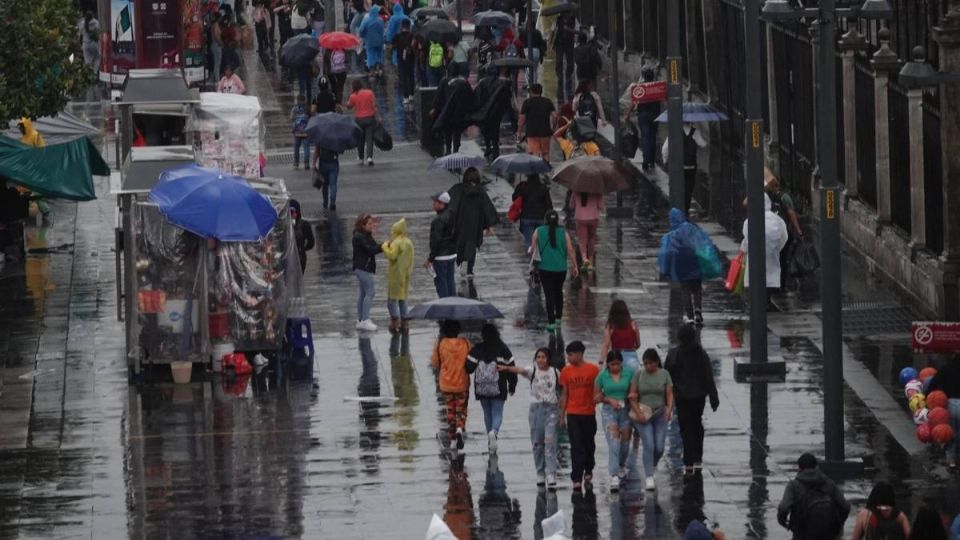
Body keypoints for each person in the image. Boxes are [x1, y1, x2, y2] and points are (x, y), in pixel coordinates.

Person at [499, 347, 562, 489]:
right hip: (536, 409)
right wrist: (506, 368)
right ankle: (540, 472)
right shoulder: (533, 370)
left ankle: (551, 473)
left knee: (550, 441)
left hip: (551, 409)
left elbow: (562, 388)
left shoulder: (555, 372)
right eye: (538, 357)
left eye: (543, 357)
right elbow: (520, 370)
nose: (541, 360)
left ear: (548, 359)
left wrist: (562, 411)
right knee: (537, 442)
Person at [664, 324, 718, 473]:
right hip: (699, 396)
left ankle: (688, 461)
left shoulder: (674, 354)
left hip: (682, 397)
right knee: (697, 424)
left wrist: (665, 398)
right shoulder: (701, 354)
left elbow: (666, 377)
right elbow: (708, 376)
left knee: (685, 427)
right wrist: (714, 397)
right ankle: (697, 457)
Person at [658, 208, 721, 325]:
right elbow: (703, 243)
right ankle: (698, 310)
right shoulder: (692, 229)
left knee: (685, 289)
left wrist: (665, 270)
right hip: (695, 262)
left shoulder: (672, 235)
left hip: (681, 266)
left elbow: (667, 254)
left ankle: (690, 316)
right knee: (697, 288)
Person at [776, 453, 851, 540]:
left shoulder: (793, 486)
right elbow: (845, 507)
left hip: (802, 534)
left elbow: (783, 508)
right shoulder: (829, 483)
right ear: (816, 467)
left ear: (799, 468)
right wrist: (837, 524)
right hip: (828, 534)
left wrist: (785, 523)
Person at [467, 324, 517, 453]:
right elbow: (511, 367)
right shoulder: (503, 348)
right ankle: (494, 432)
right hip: (499, 387)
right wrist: (512, 384)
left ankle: (490, 440)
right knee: (497, 412)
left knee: (487, 413)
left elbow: (468, 368)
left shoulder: (478, 349)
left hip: (482, 388)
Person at [629, 348, 673, 491]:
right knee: (649, 444)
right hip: (643, 414)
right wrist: (637, 412)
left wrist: (669, 409)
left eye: (650, 363)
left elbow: (669, 393)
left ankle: (652, 464)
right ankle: (649, 476)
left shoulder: (664, 374)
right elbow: (632, 395)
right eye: (645, 363)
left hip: (660, 414)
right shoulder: (639, 375)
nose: (647, 366)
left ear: (656, 363)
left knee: (659, 446)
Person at [559, 340, 600, 490]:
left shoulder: (593, 370)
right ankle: (576, 476)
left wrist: (598, 397)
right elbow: (565, 393)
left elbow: (598, 389)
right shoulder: (566, 371)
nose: (568, 358)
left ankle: (589, 468)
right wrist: (562, 415)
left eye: (570, 355)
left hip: (589, 413)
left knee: (589, 444)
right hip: (573, 413)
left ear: (579, 354)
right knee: (575, 446)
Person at [531, 210, 578, 332]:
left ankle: (551, 322)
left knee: (549, 295)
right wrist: (575, 266)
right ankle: (558, 318)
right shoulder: (563, 233)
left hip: (545, 268)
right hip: (560, 269)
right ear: (557, 220)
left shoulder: (538, 231)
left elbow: (533, 249)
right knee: (558, 292)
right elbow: (570, 250)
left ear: (545, 220)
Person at [446, 168, 499, 278]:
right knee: (472, 244)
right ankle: (469, 269)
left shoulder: (459, 189)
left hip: (461, 222)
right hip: (475, 224)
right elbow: (487, 209)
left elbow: (450, 204)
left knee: (460, 242)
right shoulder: (480, 191)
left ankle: (461, 261)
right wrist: (488, 225)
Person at [593, 351, 634, 493]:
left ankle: (622, 465)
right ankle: (614, 474)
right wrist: (609, 399)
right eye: (612, 364)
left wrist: (630, 398)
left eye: (617, 364)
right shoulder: (602, 376)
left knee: (625, 442)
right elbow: (596, 396)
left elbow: (634, 391)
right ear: (608, 364)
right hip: (609, 410)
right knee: (614, 441)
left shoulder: (629, 374)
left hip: (625, 410)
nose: (615, 367)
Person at [431, 320, 472, 450]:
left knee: (450, 410)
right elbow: (471, 360)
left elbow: (435, 363)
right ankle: (460, 427)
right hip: (462, 382)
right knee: (461, 408)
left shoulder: (440, 344)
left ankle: (453, 438)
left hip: (446, 383)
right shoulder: (465, 343)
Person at [740, 193, 789, 297]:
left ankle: (759, 303)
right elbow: (784, 236)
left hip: (755, 258)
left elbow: (746, 239)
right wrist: (776, 248)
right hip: (772, 255)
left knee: (756, 279)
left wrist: (743, 250)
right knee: (770, 278)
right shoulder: (777, 219)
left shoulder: (749, 220)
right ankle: (767, 300)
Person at [765, 173, 804, 290]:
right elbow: (791, 215)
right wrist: (798, 231)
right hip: (783, 234)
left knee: (772, 259)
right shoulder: (784, 197)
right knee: (783, 259)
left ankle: (771, 283)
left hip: (770, 233)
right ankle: (781, 284)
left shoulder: (767, 198)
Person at [662, 123, 708, 214]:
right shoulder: (695, 132)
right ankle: (686, 207)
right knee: (689, 187)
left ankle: (677, 206)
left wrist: (665, 160)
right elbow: (703, 144)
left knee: (676, 186)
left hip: (678, 166)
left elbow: (665, 148)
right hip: (691, 166)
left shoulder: (674, 132)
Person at [430, 66, 475, 155]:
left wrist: (434, 108)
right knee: (457, 132)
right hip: (459, 112)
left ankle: (448, 149)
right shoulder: (463, 82)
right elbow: (470, 96)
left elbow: (438, 96)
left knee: (448, 131)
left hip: (447, 111)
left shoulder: (444, 81)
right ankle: (456, 150)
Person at [623, 68, 662, 170]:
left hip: (643, 115)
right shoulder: (657, 87)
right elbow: (664, 98)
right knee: (652, 137)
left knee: (646, 137)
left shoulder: (640, 87)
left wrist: (627, 113)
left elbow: (634, 101)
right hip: (655, 115)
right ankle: (652, 161)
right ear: (652, 76)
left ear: (644, 76)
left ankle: (646, 160)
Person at [381, 218, 414, 332]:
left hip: (395, 274)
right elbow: (411, 258)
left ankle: (395, 320)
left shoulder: (396, 242)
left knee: (392, 300)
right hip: (405, 274)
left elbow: (392, 255)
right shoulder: (408, 242)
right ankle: (405, 322)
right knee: (403, 298)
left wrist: (385, 246)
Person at [472, 66, 512, 161]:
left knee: (485, 128)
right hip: (497, 111)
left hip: (485, 111)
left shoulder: (482, 83)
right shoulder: (502, 83)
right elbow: (506, 98)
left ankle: (488, 146)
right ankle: (495, 147)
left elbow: (477, 97)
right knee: (495, 129)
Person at [928, 356, 960, 470]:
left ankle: (951, 461)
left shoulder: (946, 368)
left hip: (950, 403)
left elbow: (933, 383)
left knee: (949, 433)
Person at [352, 213, 382, 331]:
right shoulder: (360, 237)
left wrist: (382, 246)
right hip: (362, 268)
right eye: (369, 224)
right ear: (362, 225)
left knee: (363, 293)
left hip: (362, 267)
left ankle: (360, 320)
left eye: (372, 223)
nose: (372, 225)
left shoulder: (366, 235)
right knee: (370, 292)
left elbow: (374, 247)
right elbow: (371, 250)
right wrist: (383, 246)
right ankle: (365, 319)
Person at [426, 192, 457, 298]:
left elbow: (436, 241)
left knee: (441, 283)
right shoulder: (452, 215)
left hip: (441, 257)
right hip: (452, 254)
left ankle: (445, 305)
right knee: (450, 281)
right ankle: (453, 303)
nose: (433, 204)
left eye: (435, 202)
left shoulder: (438, 220)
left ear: (442, 204)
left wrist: (430, 259)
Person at [511, 174, 553, 250]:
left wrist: (519, 188)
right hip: (541, 217)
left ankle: (532, 257)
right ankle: (540, 257)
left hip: (527, 217)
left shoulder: (523, 186)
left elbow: (514, 198)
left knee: (529, 242)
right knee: (541, 241)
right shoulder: (543, 187)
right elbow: (549, 204)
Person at [598, 300, 642, 372]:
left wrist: (601, 362)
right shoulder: (633, 323)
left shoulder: (610, 325)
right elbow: (638, 344)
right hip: (631, 357)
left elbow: (606, 345)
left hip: (616, 357)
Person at [517, 84, 557, 163]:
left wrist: (519, 132)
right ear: (541, 91)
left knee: (533, 154)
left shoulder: (527, 102)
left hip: (532, 133)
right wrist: (553, 128)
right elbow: (555, 116)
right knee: (545, 153)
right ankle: (545, 172)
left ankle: (535, 173)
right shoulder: (547, 102)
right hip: (545, 132)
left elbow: (521, 120)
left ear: (531, 92)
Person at [347, 79, 379, 165]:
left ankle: (361, 157)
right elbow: (374, 105)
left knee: (360, 139)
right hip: (370, 118)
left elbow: (349, 106)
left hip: (359, 120)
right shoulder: (369, 92)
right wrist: (378, 117)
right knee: (369, 139)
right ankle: (369, 157)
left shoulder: (353, 96)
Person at [572, 191, 603, 271]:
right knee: (591, 239)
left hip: (580, 218)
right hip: (593, 218)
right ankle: (591, 260)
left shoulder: (576, 191)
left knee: (582, 240)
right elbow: (600, 206)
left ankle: (585, 259)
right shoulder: (597, 191)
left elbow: (571, 205)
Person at [553, 12, 578, 103]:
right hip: (560, 43)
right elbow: (555, 30)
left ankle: (568, 76)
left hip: (568, 43)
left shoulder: (573, 19)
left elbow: (577, 31)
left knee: (570, 61)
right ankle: (560, 77)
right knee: (559, 61)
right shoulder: (559, 19)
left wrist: (569, 29)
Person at [392, 19, 416, 105]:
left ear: (402, 26)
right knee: (411, 76)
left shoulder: (398, 36)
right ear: (409, 26)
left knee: (404, 77)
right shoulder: (412, 35)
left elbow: (393, 45)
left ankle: (405, 97)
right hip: (411, 58)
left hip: (401, 59)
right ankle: (411, 95)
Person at [359, 5, 386, 76]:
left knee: (370, 54)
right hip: (380, 41)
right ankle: (378, 66)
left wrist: (363, 36)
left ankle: (371, 70)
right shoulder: (380, 20)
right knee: (379, 54)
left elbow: (361, 30)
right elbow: (383, 30)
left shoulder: (366, 20)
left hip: (370, 41)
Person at [289, 199, 315, 273]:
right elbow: (311, 243)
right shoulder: (304, 224)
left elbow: (311, 243)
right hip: (299, 258)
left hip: (297, 258)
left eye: (292, 212)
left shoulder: (304, 225)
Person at [290, 94, 311, 169]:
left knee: (296, 148)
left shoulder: (295, 108)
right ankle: (306, 163)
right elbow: (311, 118)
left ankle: (296, 163)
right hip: (306, 132)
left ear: (297, 100)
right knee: (306, 148)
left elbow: (292, 118)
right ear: (305, 100)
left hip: (297, 132)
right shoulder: (308, 108)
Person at [525, 22, 547, 86]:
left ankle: (529, 84)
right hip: (536, 52)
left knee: (527, 69)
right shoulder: (538, 32)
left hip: (526, 51)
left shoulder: (524, 32)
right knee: (535, 69)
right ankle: (534, 84)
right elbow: (541, 42)